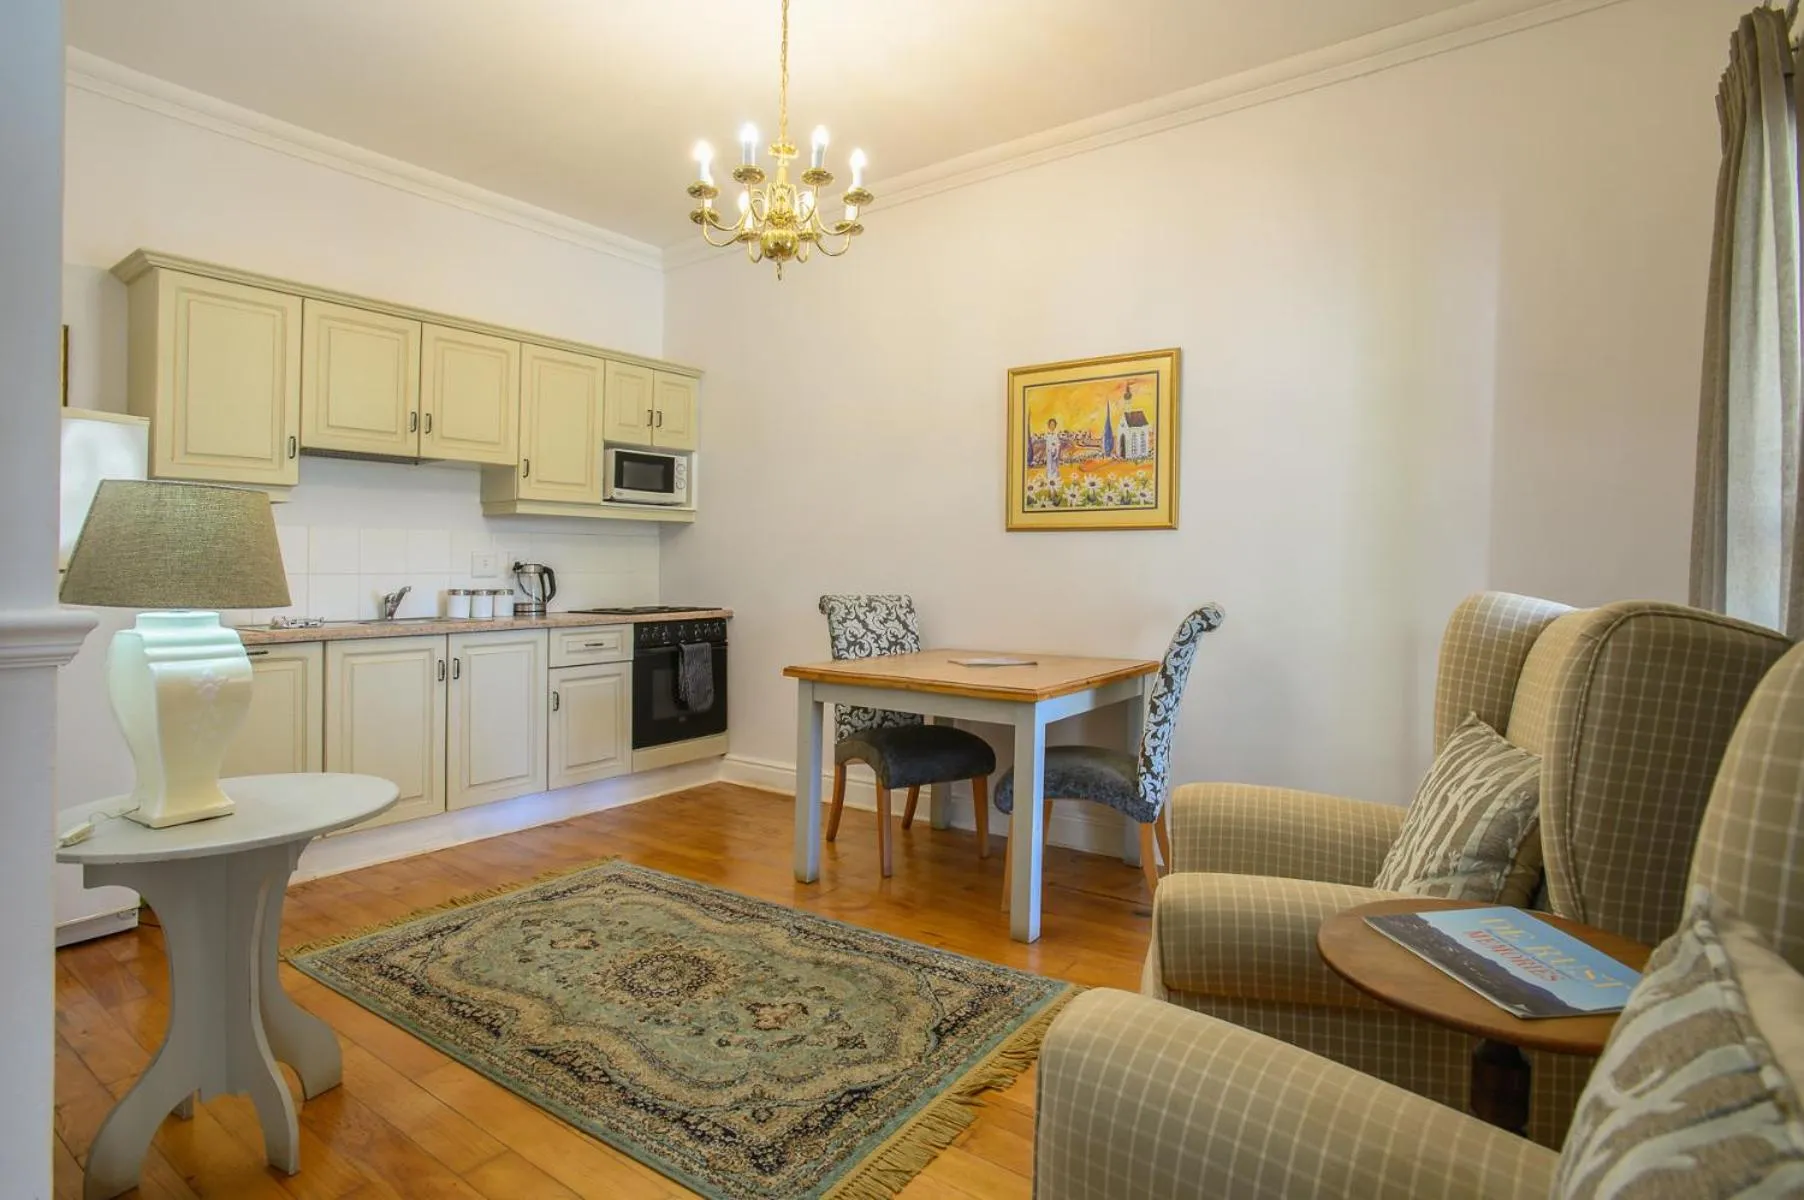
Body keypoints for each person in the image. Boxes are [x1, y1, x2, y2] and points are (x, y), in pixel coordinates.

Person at [1041, 418, 1062, 486]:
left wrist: (1056, 453)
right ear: (1048, 425)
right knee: (1049, 467)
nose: (1052, 426)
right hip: (1049, 453)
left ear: (1055, 426)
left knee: (1055, 467)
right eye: (1051, 424)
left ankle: (1055, 483)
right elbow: (1047, 445)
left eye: (1053, 424)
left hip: (1055, 454)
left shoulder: (1056, 435)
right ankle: (1049, 483)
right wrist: (1049, 451)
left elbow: (1058, 444)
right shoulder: (1047, 435)